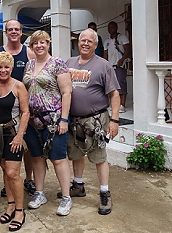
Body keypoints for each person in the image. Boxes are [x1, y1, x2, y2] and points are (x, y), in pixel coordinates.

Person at [65, 28, 120, 215]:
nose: (85, 43)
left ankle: (105, 192)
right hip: (74, 120)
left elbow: (114, 94)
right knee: (76, 153)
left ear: (96, 45)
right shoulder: (69, 62)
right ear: (78, 42)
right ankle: (78, 185)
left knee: (99, 157)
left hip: (95, 121)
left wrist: (114, 120)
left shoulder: (104, 65)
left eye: (90, 41)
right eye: (82, 40)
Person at [22, 30, 73, 216]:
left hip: (54, 119)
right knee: (36, 157)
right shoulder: (29, 64)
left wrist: (64, 119)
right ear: (32, 46)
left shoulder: (57, 64)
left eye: (42, 42)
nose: (39, 46)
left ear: (48, 44)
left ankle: (66, 197)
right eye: (35, 43)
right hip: (32, 120)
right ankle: (39, 192)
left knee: (58, 158)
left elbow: (67, 92)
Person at [0, 19, 36, 198]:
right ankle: (9, 183)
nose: (14, 32)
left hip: (24, 105)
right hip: (3, 105)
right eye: (10, 29)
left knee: (27, 147)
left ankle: (28, 179)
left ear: (21, 31)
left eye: (17, 29)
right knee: (5, 152)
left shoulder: (29, 53)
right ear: (6, 32)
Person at [0, 52, 29, 231]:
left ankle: (20, 211)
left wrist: (20, 135)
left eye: (6, 67)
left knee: (13, 173)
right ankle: (11, 204)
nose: (3, 70)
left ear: (12, 68)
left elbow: (25, 112)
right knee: (5, 169)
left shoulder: (18, 86)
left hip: (13, 134)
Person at [103, 21, 130, 113]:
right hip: (111, 66)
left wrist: (122, 59)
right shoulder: (106, 41)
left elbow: (127, 50)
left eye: (112, 27)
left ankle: (122, 105)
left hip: (120, 65)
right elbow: (105, 55)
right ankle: (114, 104)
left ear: (116, 27)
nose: (110, 29)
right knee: (112, 85)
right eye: (109, 27)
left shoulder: (122, 38)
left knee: (121, 84)